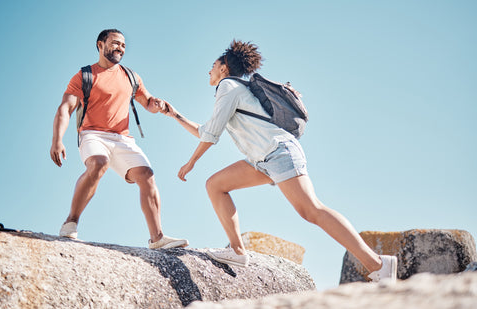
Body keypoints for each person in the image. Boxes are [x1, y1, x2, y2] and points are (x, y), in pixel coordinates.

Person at [159, 40, 397, 282]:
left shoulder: (228, 86)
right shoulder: (234, 89)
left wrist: (191, 162)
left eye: (212, 65)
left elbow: (212, 134)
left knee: (311, 210)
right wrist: (174, 114)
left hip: (278, 151)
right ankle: (237, 251)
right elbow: (206, 130)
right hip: (262, 159)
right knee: (215, 185)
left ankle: (378, 264)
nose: (209, 70)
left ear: (223, 68)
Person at [50, 29, 188, 250]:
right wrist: (57, 140)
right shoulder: (84, 76)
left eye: (123, 45)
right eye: (115, 43)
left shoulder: (131, 76)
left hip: (122, 139)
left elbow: (148, 103)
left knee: (147, 175)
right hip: (92, 134)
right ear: (100, 45)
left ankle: (157, 238)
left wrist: (158, 105)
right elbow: (65, 108)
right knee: (98, 163)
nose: (120, 48)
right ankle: (71, 222)